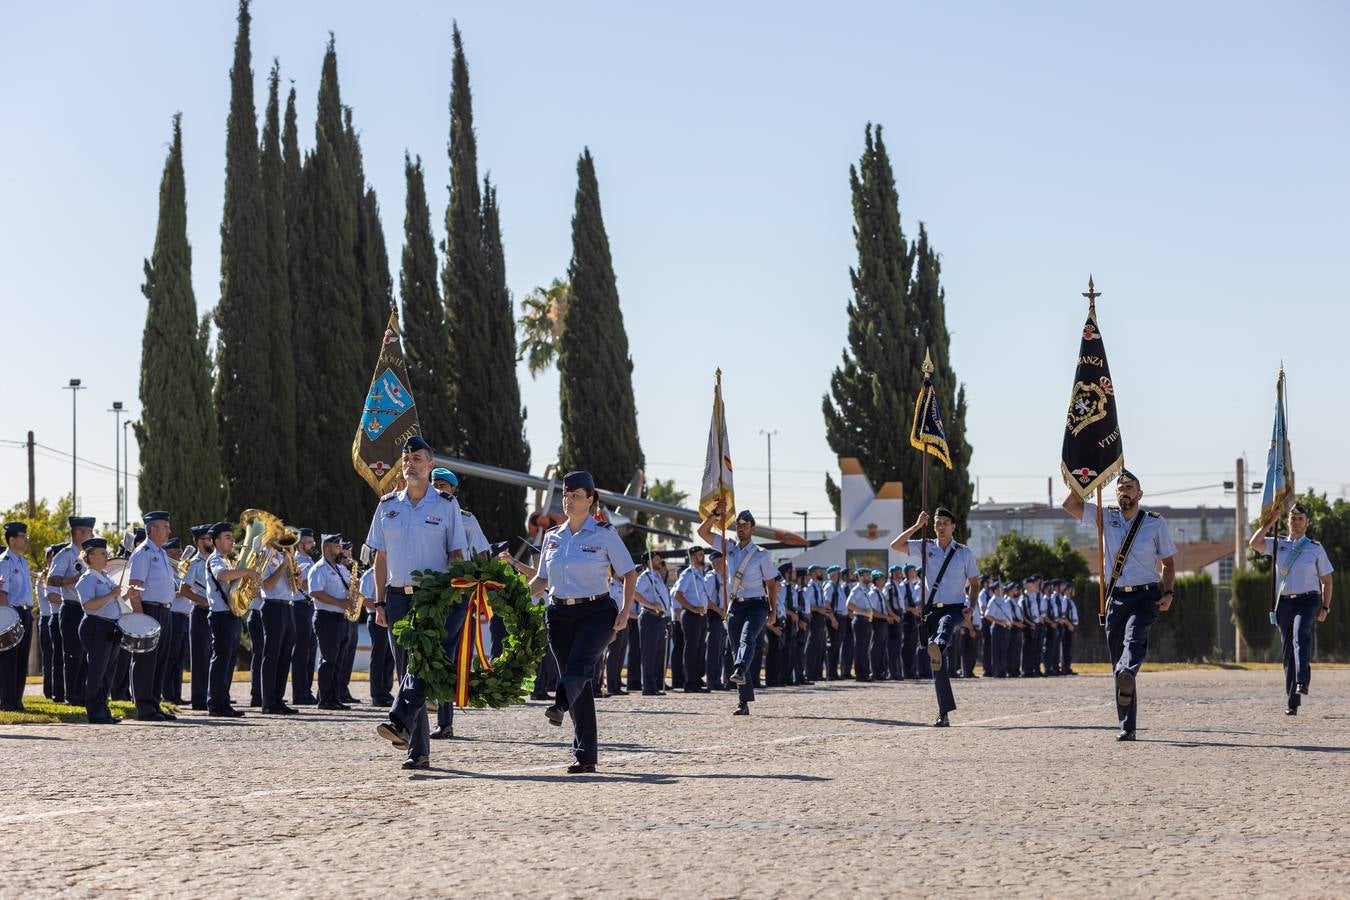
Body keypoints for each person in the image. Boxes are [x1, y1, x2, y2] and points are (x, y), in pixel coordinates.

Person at [525, 471, 637, 773]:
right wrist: (515, 594)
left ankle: (559, 704)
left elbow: (629, 573)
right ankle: (585, 755)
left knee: (579, 667)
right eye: (565, 494)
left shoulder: (604, 534)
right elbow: (542, 581)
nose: (568, 500)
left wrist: (625, 612)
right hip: (560, 615)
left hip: (597, 612)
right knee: (581, 686)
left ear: (590, 500)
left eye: (575, 495)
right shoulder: (552, 537)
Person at [371, 436, 468, 770]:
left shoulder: (445, 505)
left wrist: (450, 597)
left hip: (431, 599)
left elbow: (457, 554)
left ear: (430, 464)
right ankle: (418, 749)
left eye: (417, 457)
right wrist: (380, 603)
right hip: (397, 599)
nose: (410, 462)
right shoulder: (387, 506)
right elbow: (380, 558)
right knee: (406, 669)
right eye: (406, 457)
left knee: (421, 666)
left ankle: (403, 728)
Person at [1062, 470, 1176, 740]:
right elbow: (1070, 505)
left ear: (1140, 494)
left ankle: (1128, 671)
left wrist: (1169, 592)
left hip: (1145, 596)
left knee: (1134, 640)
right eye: (1121, 487)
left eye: (1130, 487)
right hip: (1116, 598)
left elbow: (1169, 564)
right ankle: (1127, 726)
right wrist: (1086, 480)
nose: (1125, 491)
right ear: (1116, 494)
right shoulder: (1106, 515)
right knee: (1117, 664)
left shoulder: (1154, 523)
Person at [890, 507, 980, 727]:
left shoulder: (963, 552)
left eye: (945, 523)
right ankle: (944, 712)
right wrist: (916, 526)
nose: (940, 527)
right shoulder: (926, 546)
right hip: (932, 610)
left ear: (953, 526)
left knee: (945, 627)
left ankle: (939, 643)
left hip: (955, 608)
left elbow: (975, 583)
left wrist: (972, 607)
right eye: (937, 523)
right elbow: (895, 545)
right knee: (937, 664)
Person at [1248, 502, 1334, 716]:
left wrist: (1325, 606)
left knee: (1300, 636)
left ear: (1307, 523)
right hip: (1284, 603)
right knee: (1288, 651)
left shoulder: (1315, 547)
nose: (1296, 522)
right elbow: (1254, 543)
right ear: (1287, 522)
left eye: (1300, 519)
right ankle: (1292, 702)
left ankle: (1302, 681)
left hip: (1308, 600)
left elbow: (1327, 581)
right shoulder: (1278, 543)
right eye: (1292, 519)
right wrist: (1269, 522)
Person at [697, 506, 778, 716]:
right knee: (737, 651)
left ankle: (741, 669)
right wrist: (714, 516)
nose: (741, 529)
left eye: (745, 526)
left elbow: (770, 583)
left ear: (753, 528)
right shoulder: (729, 547)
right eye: (739, 525)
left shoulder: (762, 555)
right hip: (737, 605)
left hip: (757, 604)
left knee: (746, 640)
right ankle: (743, 701)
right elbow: (702, 534)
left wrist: (773, 610)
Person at [125, 511, 177, 722]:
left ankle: (154, 703)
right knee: (146, 660)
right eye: (165, 526)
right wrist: (140, 618)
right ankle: (144, 706)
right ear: (152, 529)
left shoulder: (161, 553)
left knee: (160, 660)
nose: (169, 531)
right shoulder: (143, 552)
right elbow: (134, 587)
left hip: (165, 610)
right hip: (149, 610)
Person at [204, 522, 256, 717]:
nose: (232, 540)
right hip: (220, 616)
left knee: (228, 662)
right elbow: (222, 576)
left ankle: (223, 702)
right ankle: (215, 704)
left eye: (231, 537)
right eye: (227, 537)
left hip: (231, 615)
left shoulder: (226, 560)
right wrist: (247, 571)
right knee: (221, 661)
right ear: (215, 541)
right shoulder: (215, 560)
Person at [72, 538, 124, 724]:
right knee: (97, 671)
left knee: (108, 672)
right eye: (102, 553)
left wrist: (125, 595)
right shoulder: (87, 579)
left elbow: (111, 601)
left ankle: (104, 709)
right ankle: (95, 713)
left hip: (111, 626)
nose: (106, 556)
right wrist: (112, 594)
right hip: (96, 626)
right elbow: (88, 605)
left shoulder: (105, 577)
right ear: (90, 556)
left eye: (106, 553)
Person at [48, 516, 96, 706]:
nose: (92, 535)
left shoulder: (89, 554)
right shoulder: (65, 554)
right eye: (89, 532)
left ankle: (83, 693)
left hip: (87, 609)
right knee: (73, 654)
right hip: (71, 609)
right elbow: (52, 580)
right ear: (78, 533)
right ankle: (72, 695)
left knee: (85, 654)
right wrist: (74, 579)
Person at [0, 522, 35, 711]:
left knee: (22, 658)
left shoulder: (23, 561)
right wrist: (6, 619)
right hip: (11, 612)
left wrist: (29, 612)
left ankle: (17, 700)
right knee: (9, 659)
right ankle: (6, 701)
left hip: (25, 612)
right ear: (12, 539)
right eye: (22, 536)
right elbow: (2, 593)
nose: (26, 539)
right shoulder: (3, 562)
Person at [183, 526, 214, 710]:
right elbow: (184, 590)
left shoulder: (216, 561)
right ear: (198, 542)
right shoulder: (194, 564)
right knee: (201, 657)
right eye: (205, 539)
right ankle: (199, 699)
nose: (209, 542)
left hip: (214, 612)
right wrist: (205, 601)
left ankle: (213, 695)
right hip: (200, 612)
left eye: (210, 539)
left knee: (212, 655)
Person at [160, 538, 192, 705]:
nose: (179, 552)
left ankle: (176, 694)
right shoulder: (168, 571)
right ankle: (167, 694)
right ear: (166, 552)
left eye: (179, 549)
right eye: (174, 549)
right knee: (170, 656)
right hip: (173, 615)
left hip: (184, 616)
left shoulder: (181, 569)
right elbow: (170, 591)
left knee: (179, 658)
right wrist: (183, 592)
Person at [359, 551, 394, 705]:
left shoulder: (390, 573)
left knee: (389, 657)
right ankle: (377, 694)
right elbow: (363, 599)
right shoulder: (369, 575)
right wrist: (380, 607)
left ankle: (386, 691)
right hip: (376, 617)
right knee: (379, 657)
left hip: (389, 618)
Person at [635, 551, 671, 696]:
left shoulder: (657, 577)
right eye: (656, 559)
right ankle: (648, 687)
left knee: (658, 653)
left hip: (660, 618)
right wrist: (650, 604)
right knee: (649, 653)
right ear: (649, 562)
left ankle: (655, 684)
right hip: (650, 617)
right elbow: (635, 594)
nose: (660, 562)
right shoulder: (645, 577)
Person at [674, 546, 710, 692]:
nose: (703, 557)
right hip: (691, 615)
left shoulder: (700, 574)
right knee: (691, 649)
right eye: (700, 555)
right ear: (693, 557)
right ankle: (690, 682)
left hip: (701, 616)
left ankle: (696, 679)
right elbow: (678, 594)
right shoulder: (688, 574)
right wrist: (693, 608)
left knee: (700, 649)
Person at [290, 528, 318, 705]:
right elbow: (302, 583)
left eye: (313, 542)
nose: (313, 545)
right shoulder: (297, 560)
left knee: (310, 651)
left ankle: (306, 690)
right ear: (300, 545)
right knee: (301, 651)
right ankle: (299, 693)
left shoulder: (309, 560)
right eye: (309, 542)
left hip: (309, 606)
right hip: (299, 607)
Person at [40, 543, 67, 702]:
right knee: (53, 657)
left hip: (60, 615)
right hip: (51, 616)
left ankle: (63, 690)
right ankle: (53, 691)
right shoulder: (49, 577)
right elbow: (52, 597)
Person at [705, 550, 728, 690]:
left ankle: (718, 679)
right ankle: (712, 681)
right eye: (718, 562)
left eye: (722, 561)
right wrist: (719, 610)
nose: (721, 564)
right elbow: (705, 599)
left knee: (720, 650)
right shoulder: (710, 578)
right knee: (713, 650)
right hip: (714, 615)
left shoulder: (726, 577)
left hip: (724, 616)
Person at [846, 568, 874, 682]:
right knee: (860, 648)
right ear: (861, 577)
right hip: (860, 620)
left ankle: (865, 673)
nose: (869, 577)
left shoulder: (866, 590)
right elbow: (849, 604)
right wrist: (862, 612)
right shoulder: (857, 589)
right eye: (867, 575)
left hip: (866, 621)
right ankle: (860, 674)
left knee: (865, 648)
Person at [1061, 583, 1079, 675]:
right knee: (1066, 648)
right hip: (1067, 627)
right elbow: (1063, 616)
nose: (1073, 591)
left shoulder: (1070, 600)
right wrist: (1069, 625)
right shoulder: (1065, 600)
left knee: (1069, 648)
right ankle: (1065, 668)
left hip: (1071, 626)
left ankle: (1068, 667)